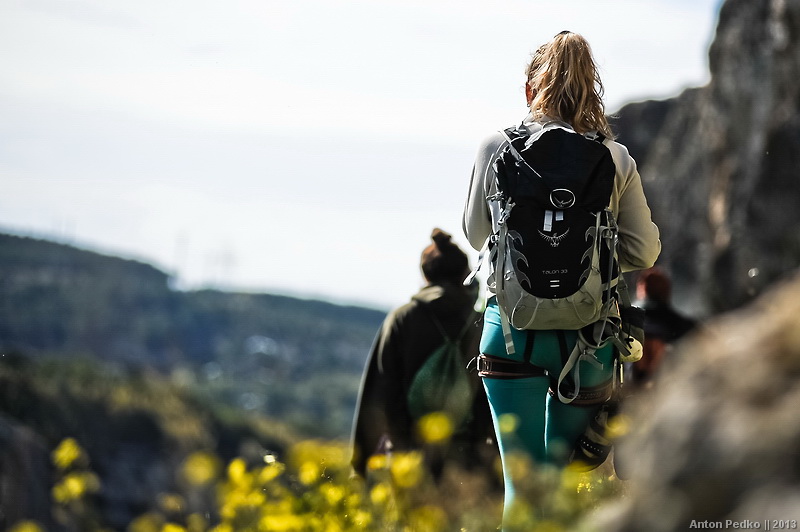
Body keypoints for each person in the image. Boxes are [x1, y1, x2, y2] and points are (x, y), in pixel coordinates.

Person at [462, 31, 661, 523]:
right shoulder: (614, 159)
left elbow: (473, 233)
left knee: (522, 487)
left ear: (531, 91)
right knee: (560, 482)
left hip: (510, 332)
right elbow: (645, 249)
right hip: (588, 342)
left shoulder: (495, 147)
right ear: (590, 94)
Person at [350, 228, 497, 483]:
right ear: (465, 273)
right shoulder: (484, 321)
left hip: (410, 456)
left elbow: (379, 390)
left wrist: (361, 464)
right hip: (470, 458)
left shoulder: (404, 317)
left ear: (425, 274)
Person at [629, 267, 696, 389]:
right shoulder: (681, 324)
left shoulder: (626, 319)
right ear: (667, 291)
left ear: (641, 289)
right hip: (666, 386)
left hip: (628, 383)